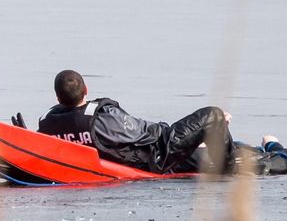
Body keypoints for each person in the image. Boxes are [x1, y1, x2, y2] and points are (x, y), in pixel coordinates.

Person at [33, 69, 234, 174]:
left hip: (125, 159)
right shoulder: (102, 117)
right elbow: (144, 133)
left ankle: (256, 149)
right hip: (154, 160)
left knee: (207, 154)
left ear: (58, 98)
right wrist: (175, 132)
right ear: (86, 90)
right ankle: (231, 171)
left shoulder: (48, 123)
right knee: (214, 115)